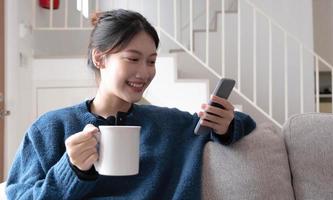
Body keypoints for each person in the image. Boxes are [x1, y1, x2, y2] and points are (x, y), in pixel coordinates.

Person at [6, 9, 256, 199]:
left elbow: (244, 124)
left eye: (151, 61)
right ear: (100, 58)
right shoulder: (51, 128)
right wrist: (71, 169)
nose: (144, 72)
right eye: (133, 58)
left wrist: (226, 124)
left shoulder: (168, 125)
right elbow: (19, 195)